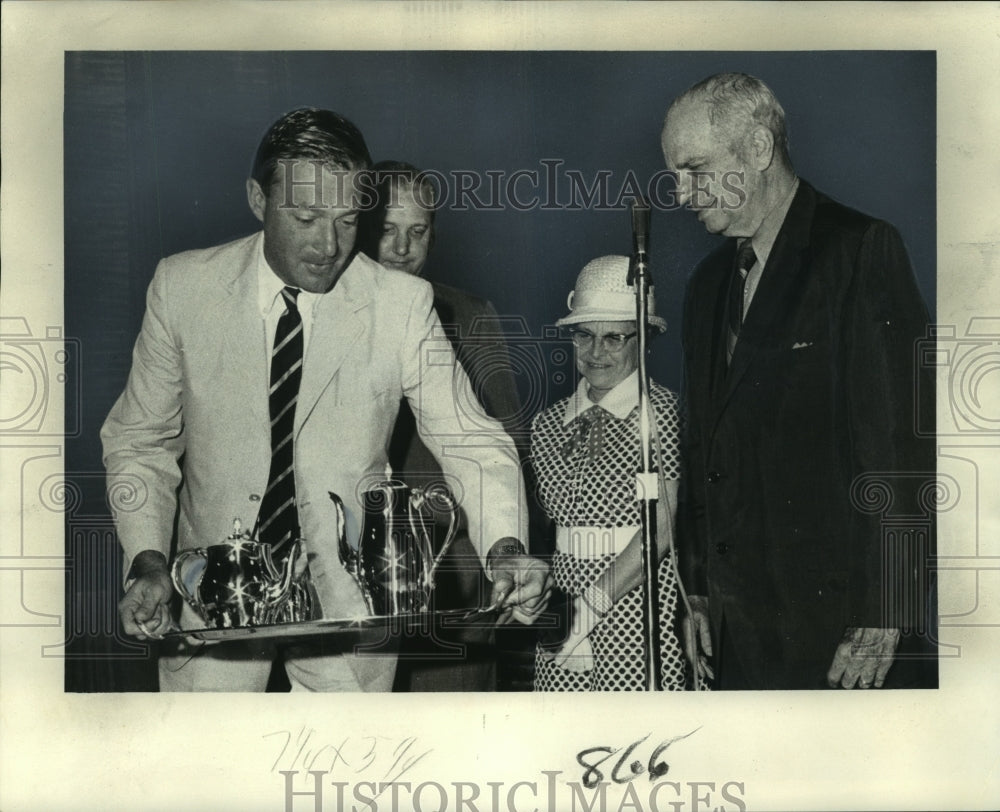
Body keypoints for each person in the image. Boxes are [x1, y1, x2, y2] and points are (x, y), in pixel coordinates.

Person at [102, 108, 551, 692]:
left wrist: (507, 548)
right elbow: (141, 441)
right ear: (258, 199)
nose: (329, 246)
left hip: (352, 605)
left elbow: (474, 440)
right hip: (209, 597)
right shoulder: (182, 287)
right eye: (307, 218)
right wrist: (148, 561)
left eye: (346, 220)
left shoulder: (400, 304)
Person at [661, 73, 935, 690]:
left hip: (844, 635)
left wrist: (887, 610)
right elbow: (701, 449)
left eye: (694, 170)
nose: (680, 193)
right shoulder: (706, 287)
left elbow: (901, 446)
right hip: (737, 636)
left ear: (757, 149)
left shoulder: (859, 250)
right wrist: (698, 591)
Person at [356, 160, 527, 691]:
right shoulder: (328, 315)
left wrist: (500, 549)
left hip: (452, 568)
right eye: (386, 230)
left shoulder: (467, 314)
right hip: (359, 571)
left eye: (418, 231)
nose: (403, 249)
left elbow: (502, 444)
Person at [530, 256, 690, 691]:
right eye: (584, 335)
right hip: (562, 622)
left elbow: (662, 523)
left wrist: (592, 607)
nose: (596, 352)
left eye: (615, 338)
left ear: (645, 338)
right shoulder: (545, 425)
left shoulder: (666, 416)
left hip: (635, 615)